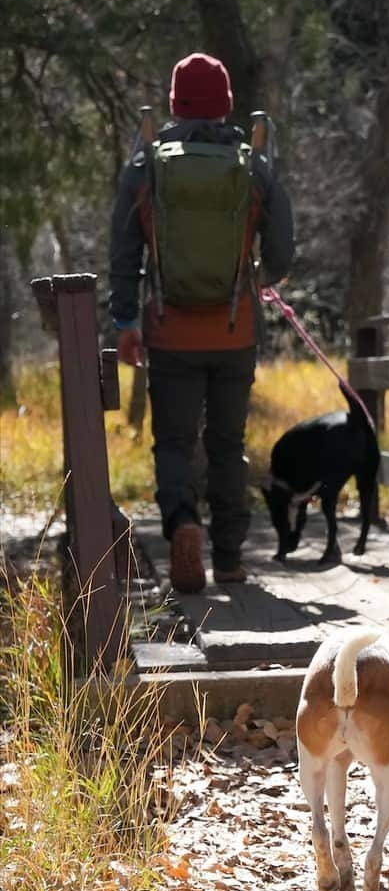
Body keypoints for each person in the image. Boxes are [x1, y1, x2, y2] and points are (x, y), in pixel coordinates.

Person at [109, 53, 294, 593]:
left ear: (173, 103)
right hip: (235, 331)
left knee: (172, 442)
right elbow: (282, 251)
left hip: (169, 330)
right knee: (226, 442)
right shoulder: (253, 166)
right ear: (226, 104)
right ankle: (231, 558)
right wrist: (258, 275)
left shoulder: (147, 167)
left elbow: (122, 255)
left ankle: (183, 524)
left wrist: (125, 322)